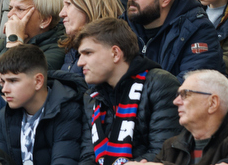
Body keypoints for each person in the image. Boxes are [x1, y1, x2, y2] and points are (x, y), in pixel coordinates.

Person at [74, 17, 182, 160]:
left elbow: (162, 155)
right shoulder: (91, 97)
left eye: (88, 53)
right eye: (80, 55)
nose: (80, 63)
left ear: (115, 53)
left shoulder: (161, 85)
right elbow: (88, 157)